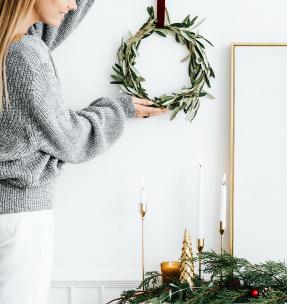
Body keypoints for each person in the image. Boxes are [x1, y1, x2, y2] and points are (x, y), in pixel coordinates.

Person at [0, 0, 168, 302]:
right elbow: (72, 140)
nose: (73, 5)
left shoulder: (13, 42)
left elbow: (43, 28)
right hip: (19, 218)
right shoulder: (25, 56)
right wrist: (120, 108)